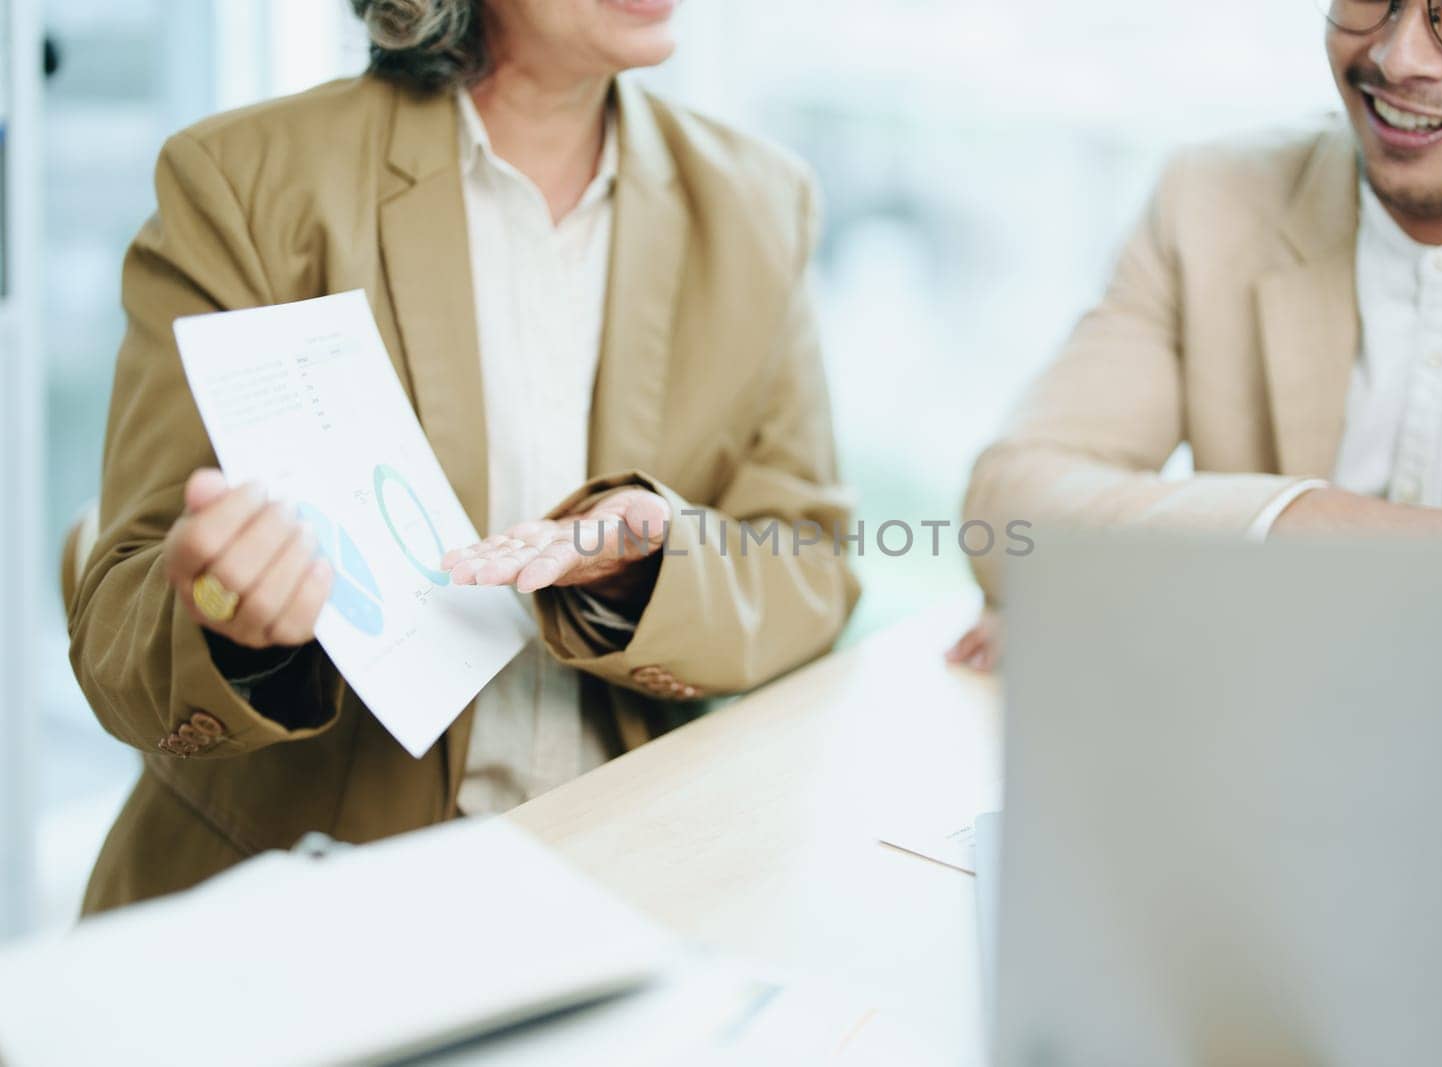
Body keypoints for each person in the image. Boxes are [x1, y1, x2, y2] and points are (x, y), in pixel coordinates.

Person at [67, 0, 858, 912]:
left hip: (626, 896)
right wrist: (224, 614)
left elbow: (808, 565)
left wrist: (649, 572)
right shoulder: (241, 185)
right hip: (304, 914)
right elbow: (119, 627)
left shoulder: (761, 202)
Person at [950, 0, 1442, 669]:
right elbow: (1008, 512)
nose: (1397, 57)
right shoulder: (1211, 199)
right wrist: (1305, 525)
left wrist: (1131, 582)